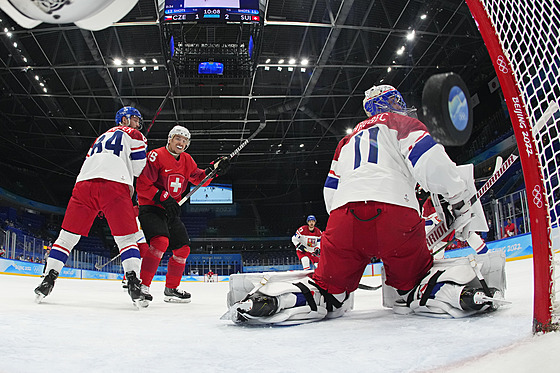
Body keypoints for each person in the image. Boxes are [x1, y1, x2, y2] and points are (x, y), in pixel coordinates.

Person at [224, 85, 504, 325]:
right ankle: (464, 294)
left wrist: (341, 227)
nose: (400, 106)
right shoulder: (401, 124)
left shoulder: (347, 141)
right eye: (396, 101)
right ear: (387, 104)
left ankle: (271, 302)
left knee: (328, 292)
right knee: (411, 287)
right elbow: (431, 163)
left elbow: (330, 192)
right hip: (396, 217)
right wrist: (457, 197)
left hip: (345, 219)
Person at [34, 106, 148, 308]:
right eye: (135, 119)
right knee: (127, 239)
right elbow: (139, 168)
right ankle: (133, 282)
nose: (138, 124)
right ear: (124, 120)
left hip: (84, 184)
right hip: (115, 185)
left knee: (67, 236)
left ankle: (48, 278)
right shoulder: (135, 134)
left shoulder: (99, 138)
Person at [136, 125, 230, 304]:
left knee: (183, 249)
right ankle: (142, 287)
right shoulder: (156, 155)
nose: (181, 142)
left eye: (185, 140)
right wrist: (164, 197)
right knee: (160, 242)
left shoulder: (187, 160)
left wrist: (214, 170)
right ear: (170, 139)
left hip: (170, 210)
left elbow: (198, 178)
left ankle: (171, 289)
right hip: (151, 207)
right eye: (178, 138)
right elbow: (142, 184)